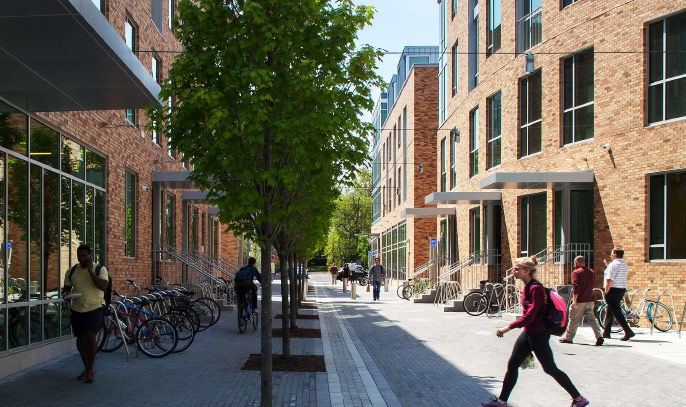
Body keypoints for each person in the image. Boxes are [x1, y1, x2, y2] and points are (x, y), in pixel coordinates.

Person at [482, 256, 589, 407]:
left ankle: (579, 399)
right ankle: (502, 401)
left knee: (550, 368)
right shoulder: (528, 287)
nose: (514, 271)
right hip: (529, 333)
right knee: (513, 365)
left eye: (517, 269)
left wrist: (508, 327)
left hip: (538, 333)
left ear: (527, 271)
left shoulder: (536, 288)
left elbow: (531, 315)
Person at [62, 245, 109, 384]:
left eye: (84, 256)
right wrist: (67, 296)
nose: (81, 258)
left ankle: (90, 369)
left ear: (90, 256)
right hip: (77, 308)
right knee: (80, 338)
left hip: (94, 307)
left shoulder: (100, 269)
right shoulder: (71, 271)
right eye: (79, 256)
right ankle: (86, 368)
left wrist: (90, 272)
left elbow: (103, 286)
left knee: (90, 335)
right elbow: (66, 289)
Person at [560, 256, 604, 346]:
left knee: (574, 319)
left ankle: (569, 338)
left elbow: (576, 287)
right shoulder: (592, 272)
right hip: (590, 300)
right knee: (592, 319)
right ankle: (599, 336)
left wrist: (575, 301)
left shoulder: (576, 272)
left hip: (580, 300)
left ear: (576, 262)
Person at [602, 247, 635, 341]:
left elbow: (610, 279)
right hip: (621, 289)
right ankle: (606, 332)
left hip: (612, 289)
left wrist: (606, 291)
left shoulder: (613, 265)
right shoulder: (624, 265)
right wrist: (608, 265)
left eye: (612, 254)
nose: (611, 256)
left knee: (617, 312)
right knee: (610, 310)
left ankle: (628, 331)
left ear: (615, 254)